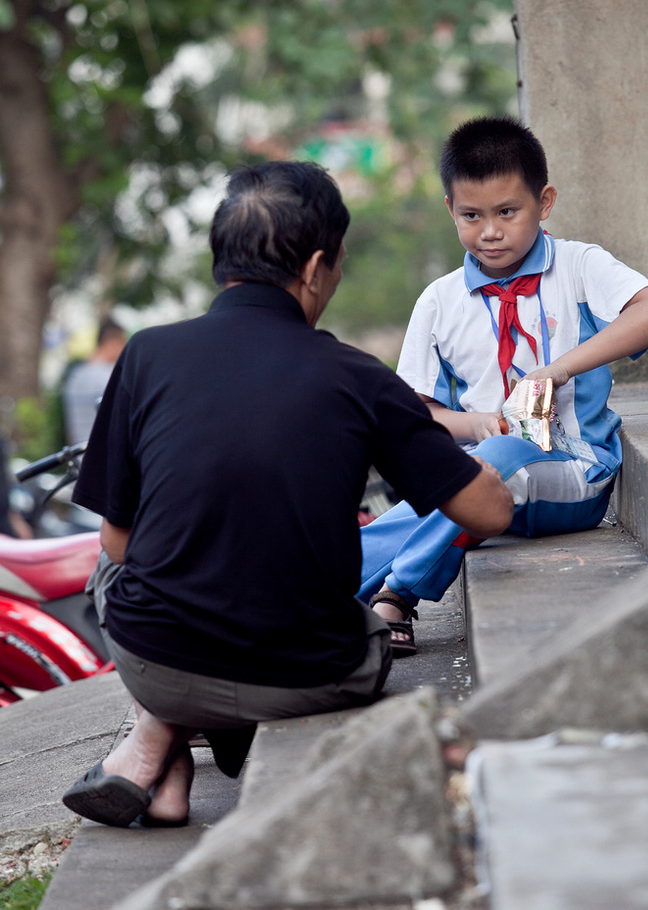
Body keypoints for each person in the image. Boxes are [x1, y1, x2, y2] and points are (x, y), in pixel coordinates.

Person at [61, 161, 513, 829]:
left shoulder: (145, 356)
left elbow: (119, 544)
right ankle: (187, 738)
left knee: (119, 567)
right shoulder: (358, 378)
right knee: (365, 624)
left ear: (223, 259)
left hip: (158, 664)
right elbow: (489, 512)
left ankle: (159, 748)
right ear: (316, 266)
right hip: (310, 676)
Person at [359, 115, 648, 654]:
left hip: (576, 474)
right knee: (409, 507)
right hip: (474, 485)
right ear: (449, 210)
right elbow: (413, 414)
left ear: (545, 201)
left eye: (507, 212)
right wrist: (474, 423)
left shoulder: (579, 266)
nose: (489, 231)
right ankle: (303, 601)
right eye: (471, 215)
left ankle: (397, 595)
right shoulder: (439, 301)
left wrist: (560, 368)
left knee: (498, 456)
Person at [61, 317, 127, 444]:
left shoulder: (75, 376)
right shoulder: (110, 376)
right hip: (105, 454)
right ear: (113, 343)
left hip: (80, 454)